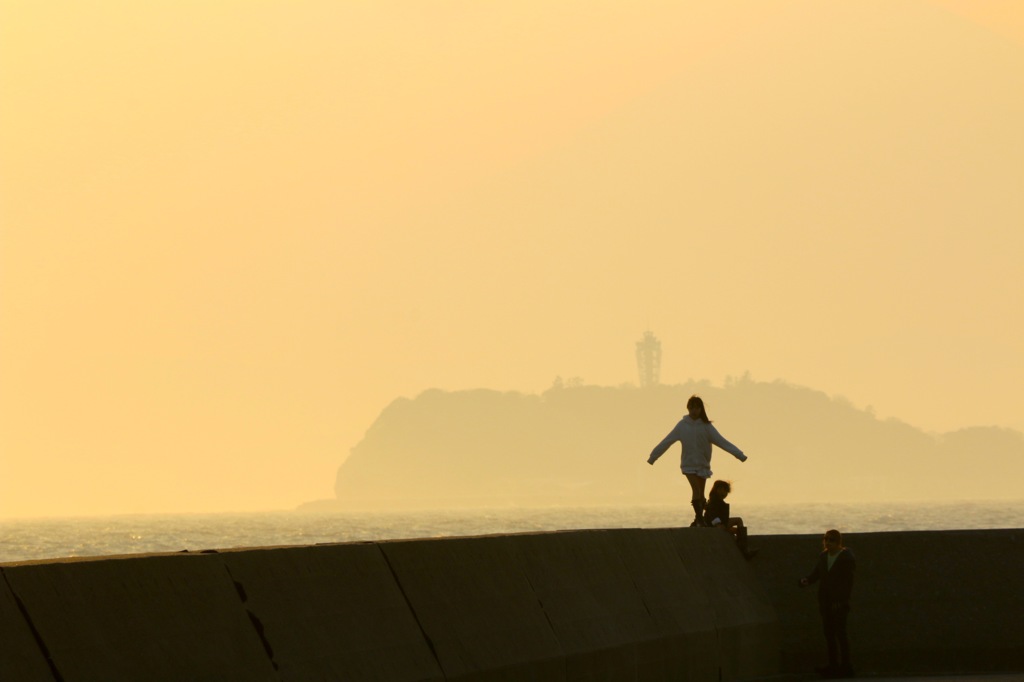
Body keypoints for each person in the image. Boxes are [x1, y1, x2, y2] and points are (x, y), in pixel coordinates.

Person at [647, 395, 748, 527]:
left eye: (697, 408)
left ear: (701, 409)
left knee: (701, 493)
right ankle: (700, 519)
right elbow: (667, 441)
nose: (694, 411)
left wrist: (739, 455)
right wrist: (653, 457)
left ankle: (698, 520)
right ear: (688, 408)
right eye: (692, 408)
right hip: (688, 464)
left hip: (702, 465)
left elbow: (722, 441)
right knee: (696, 490)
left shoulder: (707, 427)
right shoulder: (682, 426)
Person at [799, 529, 856, 679]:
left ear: (838, 542)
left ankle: (846, 666)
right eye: (826, 540)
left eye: (831, 540)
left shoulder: (846, 559)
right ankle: (833, 665)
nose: (828, 543)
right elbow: (817, 574)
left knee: (840, 634)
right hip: (825, 602)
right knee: (829, 634)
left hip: (839, 604)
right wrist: (806, 581)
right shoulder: (823, 557)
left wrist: (841, 600)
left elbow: (847, 583)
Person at [704, 480, 758, 559]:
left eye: (726, 492)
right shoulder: (714, 501)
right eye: (724, 491)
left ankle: (744, 549)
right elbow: (713, 514)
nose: (725, 494)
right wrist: (718, 524)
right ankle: (745, 550)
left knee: (736, 533)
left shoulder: (716, 500)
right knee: (738, 520)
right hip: (716, 525)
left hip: (721, 523)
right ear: (718, 489)